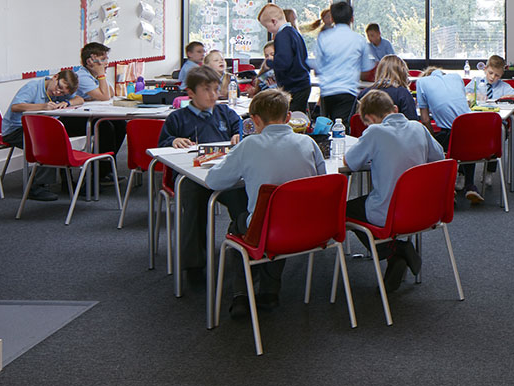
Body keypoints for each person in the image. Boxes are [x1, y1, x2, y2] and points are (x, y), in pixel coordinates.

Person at [204, 88, 323, 315]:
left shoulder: (249, 145)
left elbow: (214, 181)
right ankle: (269, 291)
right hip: (309, 228)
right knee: (276, 216)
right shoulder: (308, 143)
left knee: (242, 225)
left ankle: (241, 295)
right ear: (288, 117)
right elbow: (321, 180)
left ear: (255, 120)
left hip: (270, 230)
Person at [344, 89, 445, 291]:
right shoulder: (418, 128)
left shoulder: (375, 132)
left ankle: (395, 250)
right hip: (425, 210)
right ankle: (397, 254)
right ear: (395, 109)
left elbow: (351, 162)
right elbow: (440, 158)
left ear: (371, 119)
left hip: (389, 212)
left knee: (343, 210)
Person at [157, 66, 243, 288]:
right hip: (192, 177)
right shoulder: (177, 119)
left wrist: (237, 135)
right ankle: (194, 265)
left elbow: (241, 131)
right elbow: (163, 146)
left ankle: (244, 249)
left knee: (243, 198)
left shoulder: (226, 113)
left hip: (224, 174)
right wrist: (173, 142)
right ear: (191, 93)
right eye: (207, 90)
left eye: (215, 89)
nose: (213, 95)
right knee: (194, 205)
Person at [0, 68, 81, 201]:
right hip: (15, 129)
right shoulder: (33, 87)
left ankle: (67, 183)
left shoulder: (60, 92)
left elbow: (79, 99)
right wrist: (42, 106)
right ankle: (35, 186)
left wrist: (67, 102)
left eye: (62, 93)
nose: (57, 92)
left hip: (37, 128)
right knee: (49, 144)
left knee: (59, 139)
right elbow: (16, 106)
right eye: (58, 87)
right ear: (55, 77)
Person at [415, 67, 482, 204]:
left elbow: (425, 119)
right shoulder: (456, 77)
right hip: (472, 131)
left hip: (451, 135)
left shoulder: (422, 82)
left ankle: (446, 189)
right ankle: (470, 186)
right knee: (464, 141)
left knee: (436, 144)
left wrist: (432, 138)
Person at [307, 0, 372, 125]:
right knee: (342, 127)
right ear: (352, 19)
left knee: (326, 125)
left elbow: (318, 66)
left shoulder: (324, 37)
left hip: (327, 90)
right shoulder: (359, 40)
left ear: (332, 18)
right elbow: (365, 69)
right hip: (347, 90)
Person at [72, 41, 126, 169]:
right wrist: (101, 74)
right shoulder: (82, 76)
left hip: (88, 114)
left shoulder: (94, 75)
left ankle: (105, 169)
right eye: (102, 59)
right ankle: (99, 171)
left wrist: (101, 74)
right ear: (90, 61)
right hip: (73, 117)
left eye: (106, 59)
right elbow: (105, 96)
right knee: (104, 126)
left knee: (120, 124)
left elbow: (111, 93)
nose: (106, 63)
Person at [256, 3, 311, 112]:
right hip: (302, 83)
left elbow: (284, 63)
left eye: (267, 27)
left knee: (291, 119)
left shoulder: (282, 36)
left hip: (294, 86)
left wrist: (270, 63)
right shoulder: (294, 33)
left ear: (274, 21)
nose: (268, 30)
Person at [359, 53, 418, 120]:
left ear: (379, 71)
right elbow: (412, 121)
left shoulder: (364, 93)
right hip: (395, 130)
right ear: (402, 72)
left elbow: (353, 120)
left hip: (367, 129)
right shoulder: (402, 94)